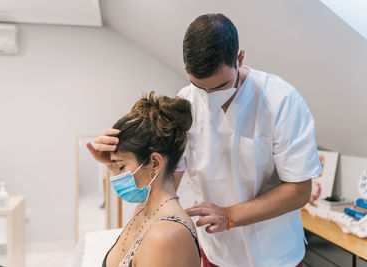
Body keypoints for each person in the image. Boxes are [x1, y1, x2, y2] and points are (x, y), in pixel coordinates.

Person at [90, 14, 322, 267]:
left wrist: (229, 215)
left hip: (274, 255)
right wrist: (117, 163)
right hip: (215, 252)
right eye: (199, 86)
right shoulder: (186, 100)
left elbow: (300, 191)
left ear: (240, 58)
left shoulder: (281, 100)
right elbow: (163, 183)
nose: (208, 96)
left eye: (220, 86)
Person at [87, 92, 201, 267]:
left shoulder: (166, 235)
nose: (115, 177)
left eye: (121, 167)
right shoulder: (146, 209)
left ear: (154, 162)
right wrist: (114, 162)